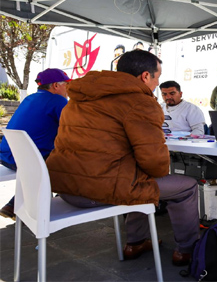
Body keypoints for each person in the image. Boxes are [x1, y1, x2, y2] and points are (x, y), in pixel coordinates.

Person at [46, 50, 199, 266]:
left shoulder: (78, 98)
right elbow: (154, 162)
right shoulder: (139, 102)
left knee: (138, 177)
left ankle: (136, 243)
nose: (157, 84)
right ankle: (188, 250)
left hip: (67, 186)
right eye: (157, 77)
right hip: (98, 190)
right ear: (146, 76)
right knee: (186, 186)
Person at [0, 68, 70, 220]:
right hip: (23, 159)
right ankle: (65, 200)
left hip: (7, 154)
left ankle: (12, 205)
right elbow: (73, 129)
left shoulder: (30, 98)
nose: (69, 89)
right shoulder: (58, 100)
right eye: (66, 84)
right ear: (56, 86)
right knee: (64, 161)